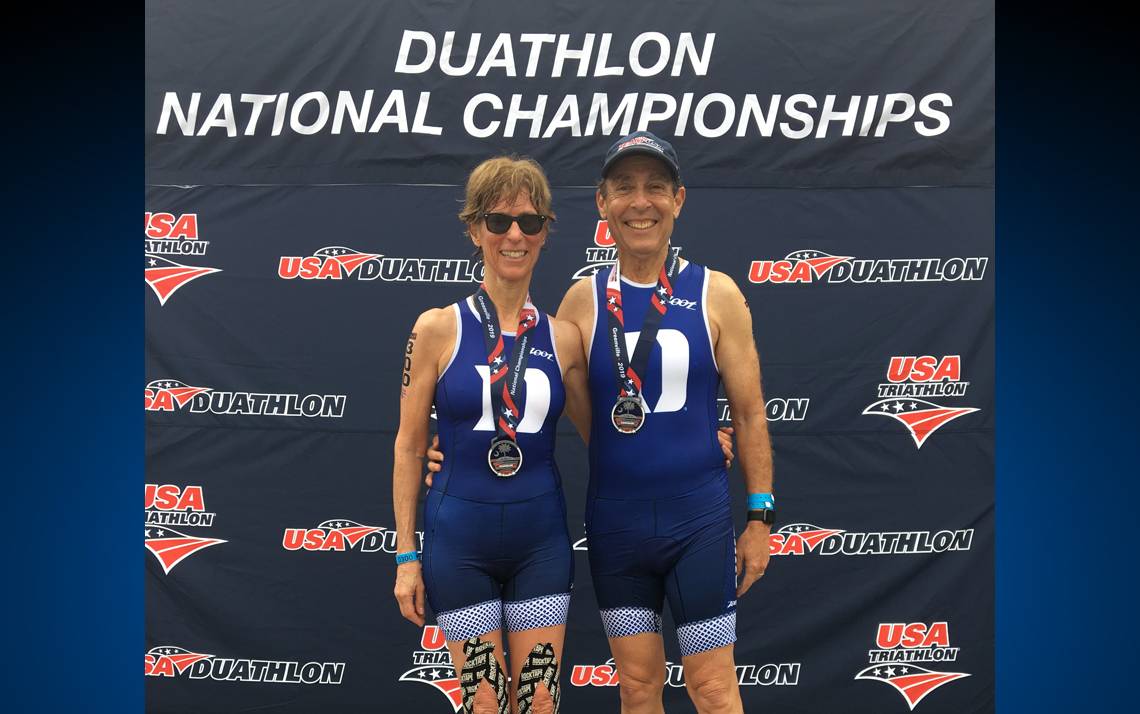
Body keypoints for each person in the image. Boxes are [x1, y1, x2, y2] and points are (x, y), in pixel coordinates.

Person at [431, 131, 774, 714]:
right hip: (618, 528)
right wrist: (452, 451)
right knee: (638, 690)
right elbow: (545, 403)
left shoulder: (717, 294)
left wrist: (760, 515)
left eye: (655, 188)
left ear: (679, 199)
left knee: (714, 689)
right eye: (624, 189)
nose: (641, 202)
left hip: (700, 520)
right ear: (602, 203)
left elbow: (748, 412)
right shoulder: (580, 303)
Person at [392, 156, 591, 714]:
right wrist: (406, 555)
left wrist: (700, 444)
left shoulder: (565, 337)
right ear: (474, 228)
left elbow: (612, 435)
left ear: (545, 233)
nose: (513, 235)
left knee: (540, 704)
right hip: (459, 543)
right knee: (484, 705)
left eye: (529, 223)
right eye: (498, 221)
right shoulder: (436, 328)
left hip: (541, 544)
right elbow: (409, 446)